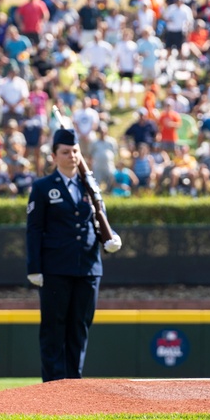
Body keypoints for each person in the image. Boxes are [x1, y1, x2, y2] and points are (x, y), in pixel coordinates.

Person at [26, 127, 121, 382]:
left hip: (87, 267)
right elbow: (34, 229)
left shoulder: (89, 186)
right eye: (66, 152)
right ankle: (55, 382)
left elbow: (99, 219)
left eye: (75, 151)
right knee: (54, 327)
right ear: (54, 156)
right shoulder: (43, 187)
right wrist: (34, 266)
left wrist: (110, 239)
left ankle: (73, 381)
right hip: (56, 267)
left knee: (79, 326)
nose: (72, 156)